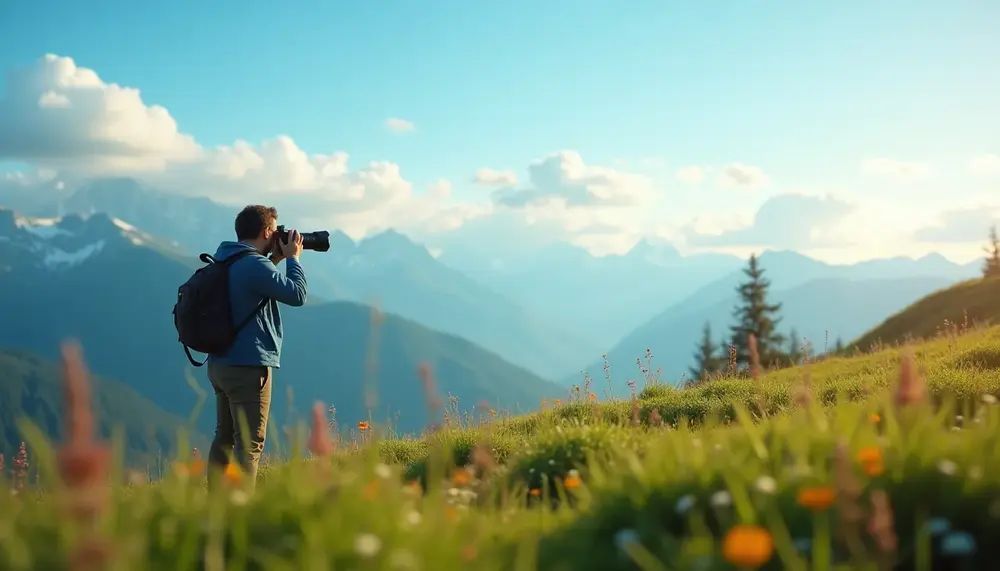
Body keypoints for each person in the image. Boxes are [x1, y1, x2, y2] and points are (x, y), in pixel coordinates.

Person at [206, 205, 307, 489]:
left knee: (224, 438)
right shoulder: (254, 265)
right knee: (249, 444)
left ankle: (214, 504)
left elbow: (250, 285)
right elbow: (297, 295)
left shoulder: (226, 258)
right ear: (266, 231)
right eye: (275, 230)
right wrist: (293, 259)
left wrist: (273, 258)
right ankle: (240, 511)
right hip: (248, 365)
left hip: (219, 364)